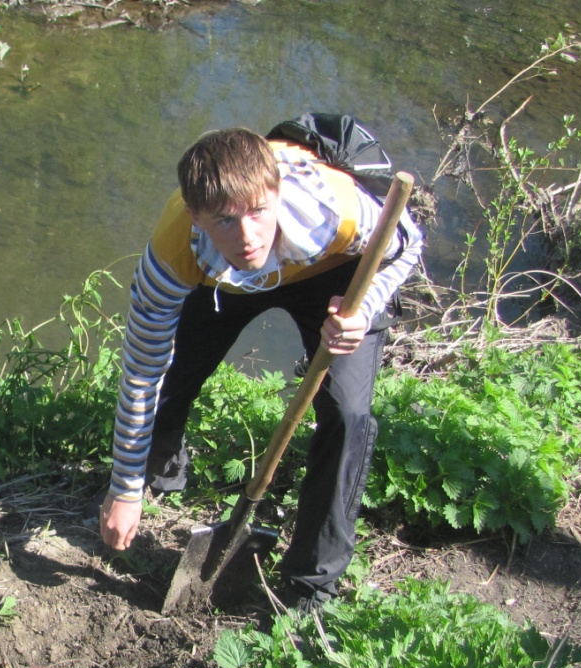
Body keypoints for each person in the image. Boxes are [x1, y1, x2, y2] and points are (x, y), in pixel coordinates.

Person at [98, 126, 422, 608]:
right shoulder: (175, 253)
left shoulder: (334, 210)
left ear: (276, 194)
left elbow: (406, 244)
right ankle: (157, 475)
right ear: (196, 216)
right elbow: (145, 369)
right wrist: (123, 487)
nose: (247, 236)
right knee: (174, 373)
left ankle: (311, 585)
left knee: (349, 414)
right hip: (222, 281)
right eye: (225, 220)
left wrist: (363, 308)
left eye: (256, 212)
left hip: (329, 273)